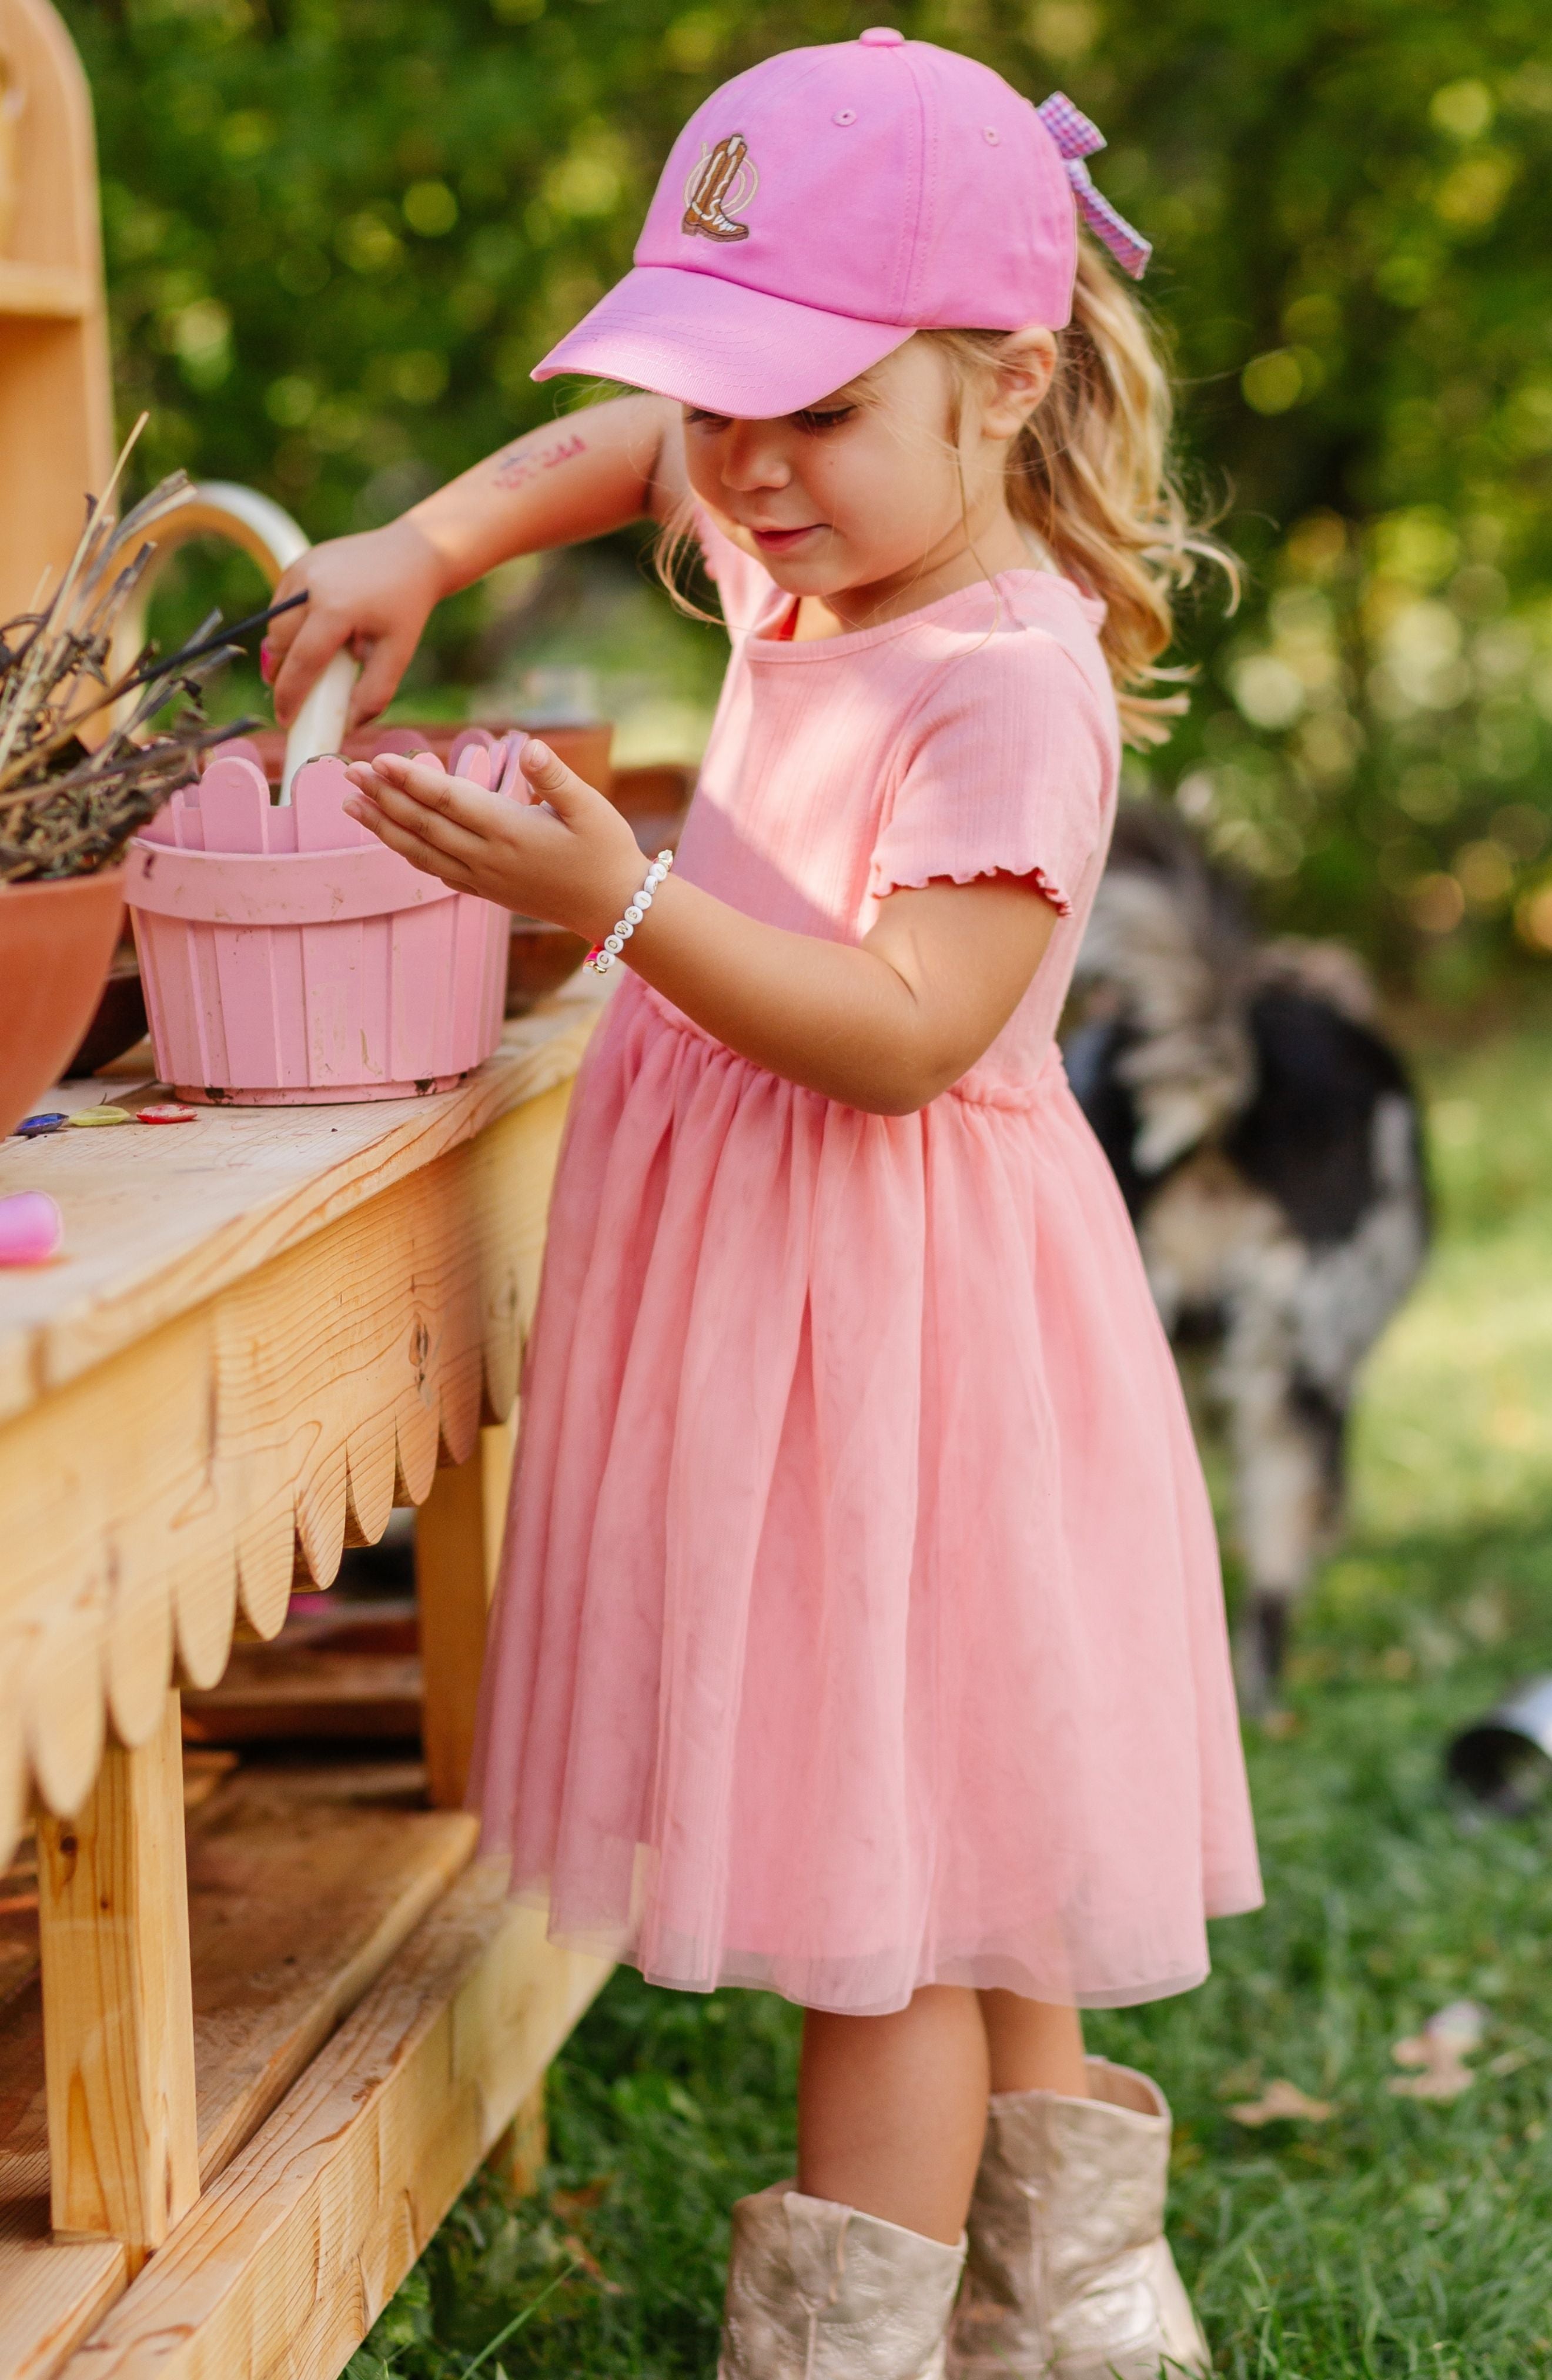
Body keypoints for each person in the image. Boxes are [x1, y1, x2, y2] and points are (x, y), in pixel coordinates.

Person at [265, 31, 1262, 2378]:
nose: (741, 470)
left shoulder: (1009, 677)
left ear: (1003, 387)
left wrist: (618, 902)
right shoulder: (803, 511)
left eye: (807, 411)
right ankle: (1080, 2313)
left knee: (888, 1898)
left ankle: (849, 2346)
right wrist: (429, 540)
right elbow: (635, 447)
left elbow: (914, 1026)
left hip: (908, 1326)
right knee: (956, 1806)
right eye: (727, 407)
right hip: (797, 1313)